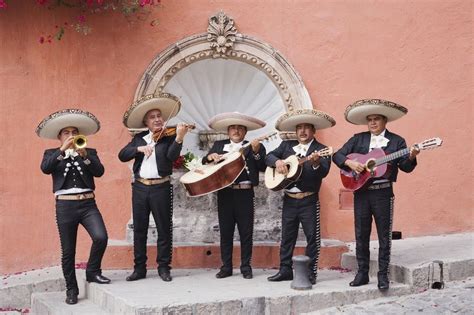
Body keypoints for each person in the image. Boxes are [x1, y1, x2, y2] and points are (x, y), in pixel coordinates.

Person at [332, 99, 419, 291]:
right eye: (369, 119)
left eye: (376, 119)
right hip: (361, 193)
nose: (372, 123)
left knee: (384, 236)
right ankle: (362, 273)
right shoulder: (358, 139)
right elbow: (336, 155)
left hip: (383, 193)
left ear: (385, 120)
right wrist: (350, 163)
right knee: (361, 234)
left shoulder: (397, 142)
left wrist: (411, 156)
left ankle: (382, 276)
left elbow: (405, 167)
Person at [37, 109, 110, 305]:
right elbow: (45, 168)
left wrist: (84, 155)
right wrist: (62, 151)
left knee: (101, 237)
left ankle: (93, 272)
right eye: (67, 133)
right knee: (68, 251)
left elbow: (100, 172)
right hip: (65, 206)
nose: (71, 136)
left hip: (88, 204)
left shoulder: (89, 151)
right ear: (60, 137)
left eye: (74, 132)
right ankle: (71, 289)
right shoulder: (51, 153)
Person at [119, 93, 191, 282]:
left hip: (161, 187)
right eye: (153, 117)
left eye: (159, 116)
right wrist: (138, 149)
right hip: (140, 188)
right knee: (139, 229)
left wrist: (179, 138)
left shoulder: (169, 138)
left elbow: (171, 157)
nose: (158, 119)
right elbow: (122, 155)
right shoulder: (139, 138)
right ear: (146, 122)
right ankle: (139, 269)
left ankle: (164, 268)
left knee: (164, 228)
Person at [266, 109, 336, 285]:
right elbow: (268, 156)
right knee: (287, 236)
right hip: (289, 198)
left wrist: (315, 164)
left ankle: (310, 273)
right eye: (299, 128)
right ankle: (285, 270)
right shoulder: (286, 146)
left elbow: (324, 172)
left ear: (313, 131)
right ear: (296, 131)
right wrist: (278, 162)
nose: (303, 131)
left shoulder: (321, 150)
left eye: (307, 128)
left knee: (312, 237)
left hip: (309, 200)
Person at [202, 112, 267, 279]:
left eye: (240, 128)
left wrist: (257, 150)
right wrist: (210, 157)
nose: (236, 131)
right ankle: (226, 267)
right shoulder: (218, 144)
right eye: (233, 128)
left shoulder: (254, 145)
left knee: (246, 232)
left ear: (245, 132)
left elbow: (262, 165)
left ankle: (246, 267)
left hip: (245, 193)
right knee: (226, 231)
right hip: (225, 194)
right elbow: (205, 162)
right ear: (228, 131)